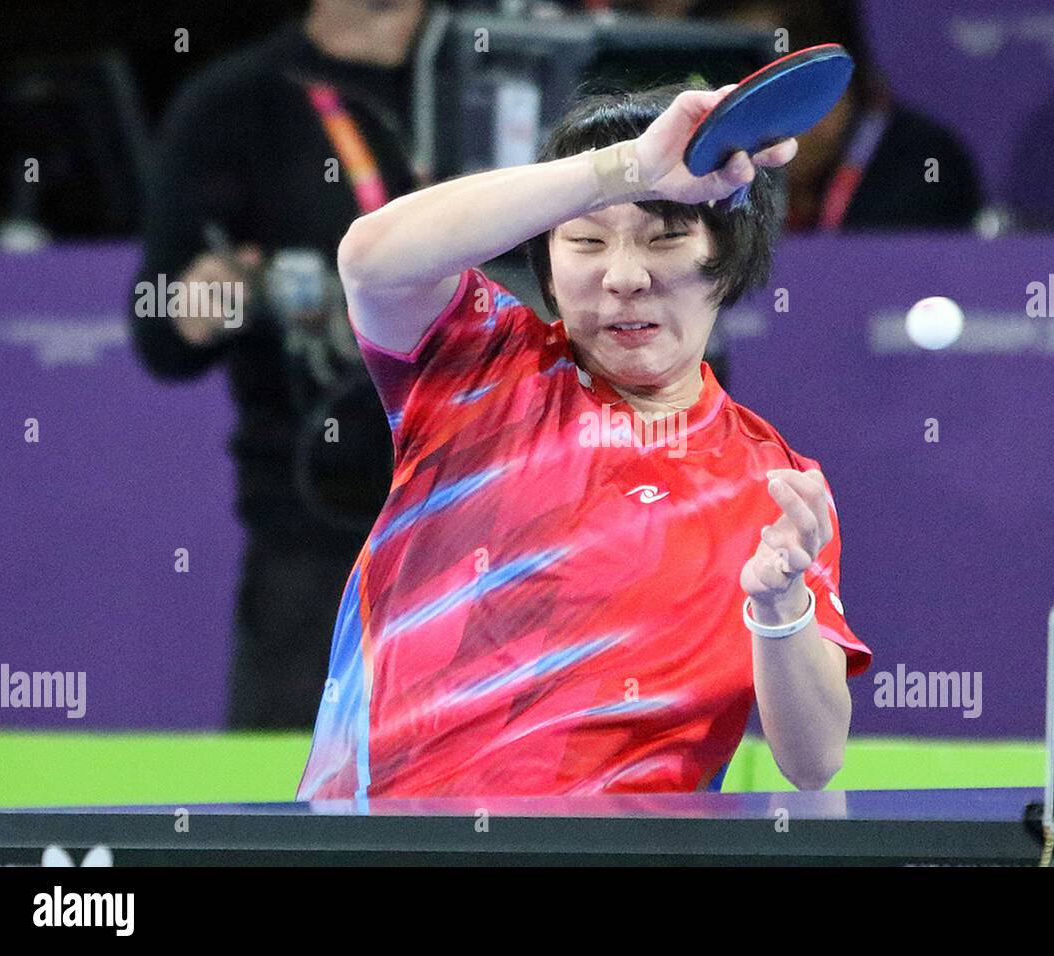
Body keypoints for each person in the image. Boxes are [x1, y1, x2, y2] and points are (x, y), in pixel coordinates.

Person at [297, 78, 872, 799]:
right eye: (588, 240)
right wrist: (622, 168)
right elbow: (370, 255)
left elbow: (814, 760)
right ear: (547, 260)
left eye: (665, 237)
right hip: (392, 846)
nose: (625, 277)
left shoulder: (774, 486)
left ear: (728, 263)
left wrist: (782, 606)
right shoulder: (475, 364)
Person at [129, 0, 429, 730]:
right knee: (289, 820)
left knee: (514, 813)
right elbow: (160, 332)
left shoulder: (512, 66)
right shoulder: (239, 101)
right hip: (319, 516)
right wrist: (204, 300)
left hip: (514, 512)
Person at [692, 0, 984, 231]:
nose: (731, 123)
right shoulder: (697, 182)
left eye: (756, 97)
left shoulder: (923, 165)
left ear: (831, 97)